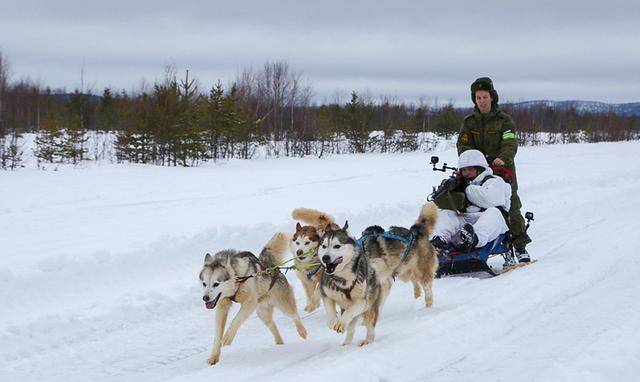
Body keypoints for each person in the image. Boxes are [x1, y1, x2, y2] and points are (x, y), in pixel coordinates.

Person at [456, 77, 531, 262]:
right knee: (469, 204)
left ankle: (519, 246)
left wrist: (501, 160)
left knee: (510, 205)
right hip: (476, 172)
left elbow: (510, 144)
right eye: (478, 97)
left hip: (501, 170)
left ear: (492, 97)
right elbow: (463, 146)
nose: (481, 100)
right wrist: (472, 163)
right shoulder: (469, 122)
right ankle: (469, 241)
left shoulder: (504, 121)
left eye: (485, 96)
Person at [431, 150, 512, 253]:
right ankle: (440, 240)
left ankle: (471, 239)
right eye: (463, 170)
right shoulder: (463, 182)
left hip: (491, 222)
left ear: (479, 169)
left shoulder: (494, 180)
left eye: (470, 169)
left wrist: (466, 188)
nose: (466, 173)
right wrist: (449, 189)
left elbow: (489, 199)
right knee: (447, 213)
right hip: (468, 221)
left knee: (494, 212)